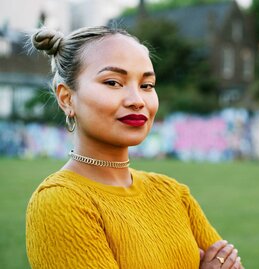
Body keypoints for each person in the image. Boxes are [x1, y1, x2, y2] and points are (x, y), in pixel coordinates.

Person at [26, 25, 244, 269]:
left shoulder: (172, 193)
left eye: (147, 85)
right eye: (113, 82)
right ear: (66, 98)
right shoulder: (60, 201)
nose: (137, 101)